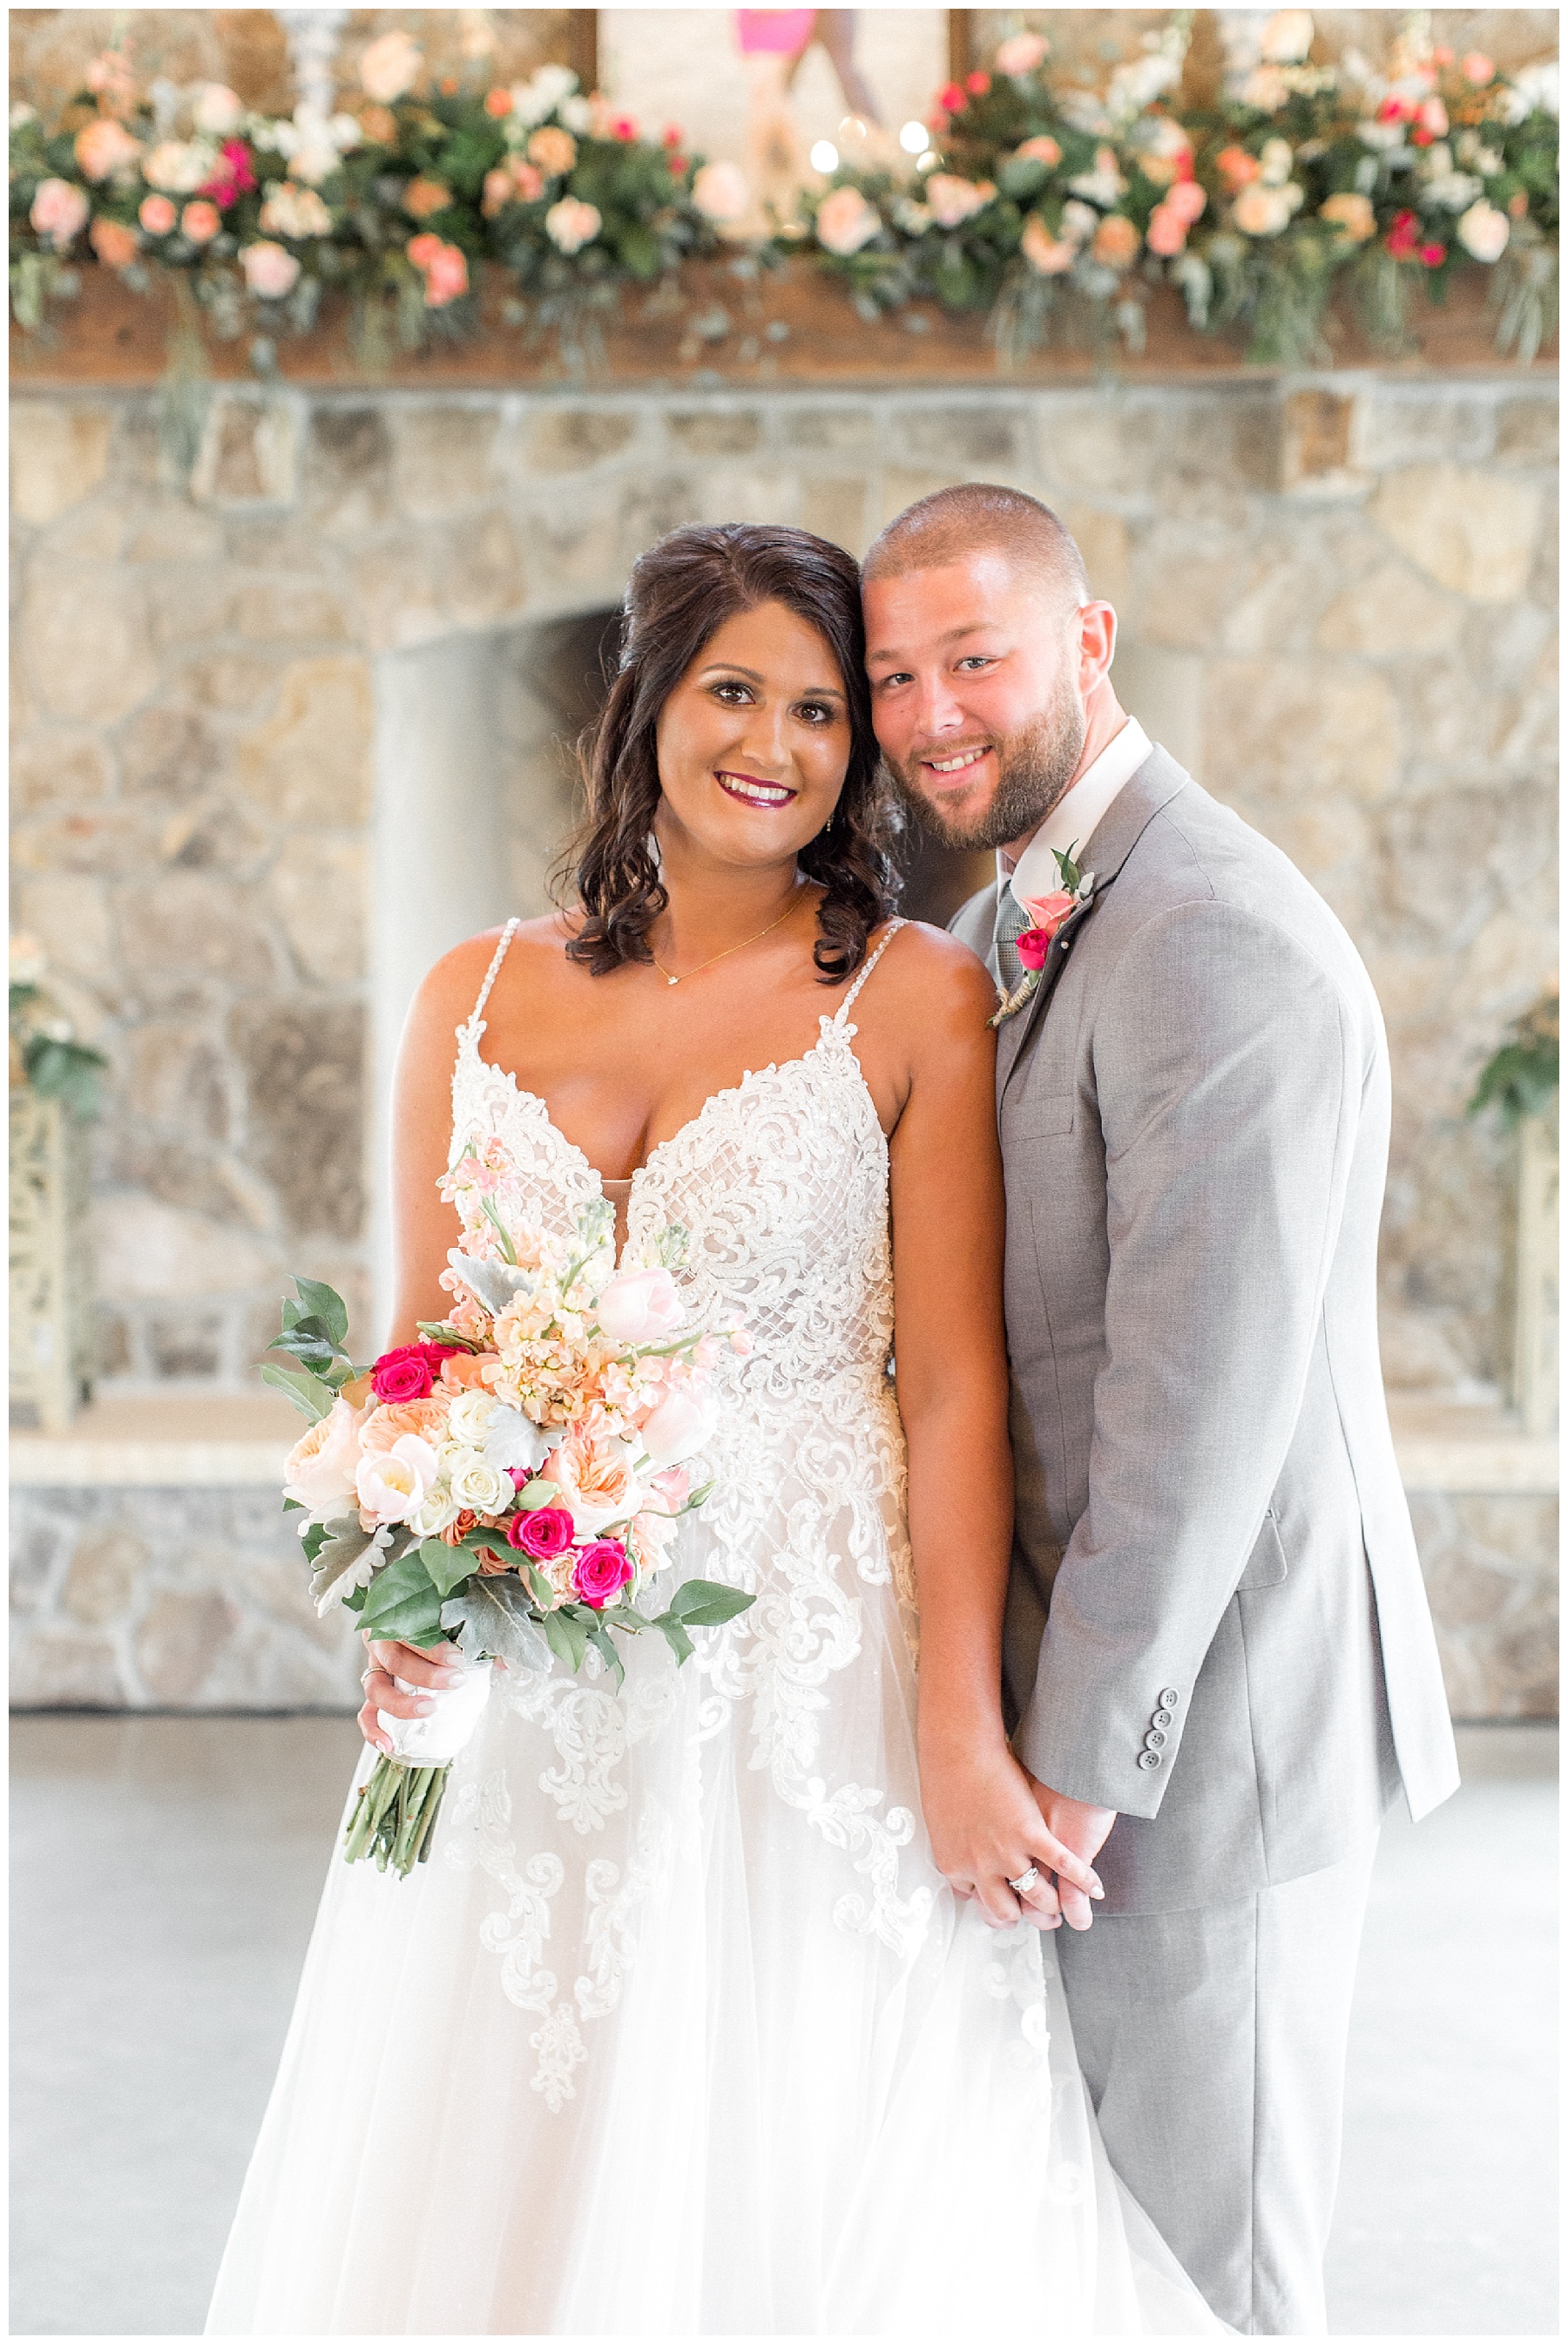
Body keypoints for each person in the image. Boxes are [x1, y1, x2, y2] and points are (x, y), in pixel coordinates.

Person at [206, 522, 1220, 2334]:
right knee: (509, 2134)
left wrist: (961, 1730)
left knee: (786, 2137)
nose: (774, 741)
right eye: (733, 690)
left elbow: (951, 1389)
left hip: (805, 1671)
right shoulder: (470, 994)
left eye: (822, 710)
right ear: (648, 706)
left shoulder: (913, 995)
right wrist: (412, 1610)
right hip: (536, 1671)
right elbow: (434, 1360)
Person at [862, 483, 1462, 2336]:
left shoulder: (1212, 931)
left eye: (976, 658)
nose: (932, 716)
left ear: (1090, 642)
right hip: (1083, 1717)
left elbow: (1192, 1411)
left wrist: (1071, 1768)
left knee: (1214, 2283)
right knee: (1087, 2261)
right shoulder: (1009, 913)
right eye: (894, 676)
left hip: (1201, 1742)